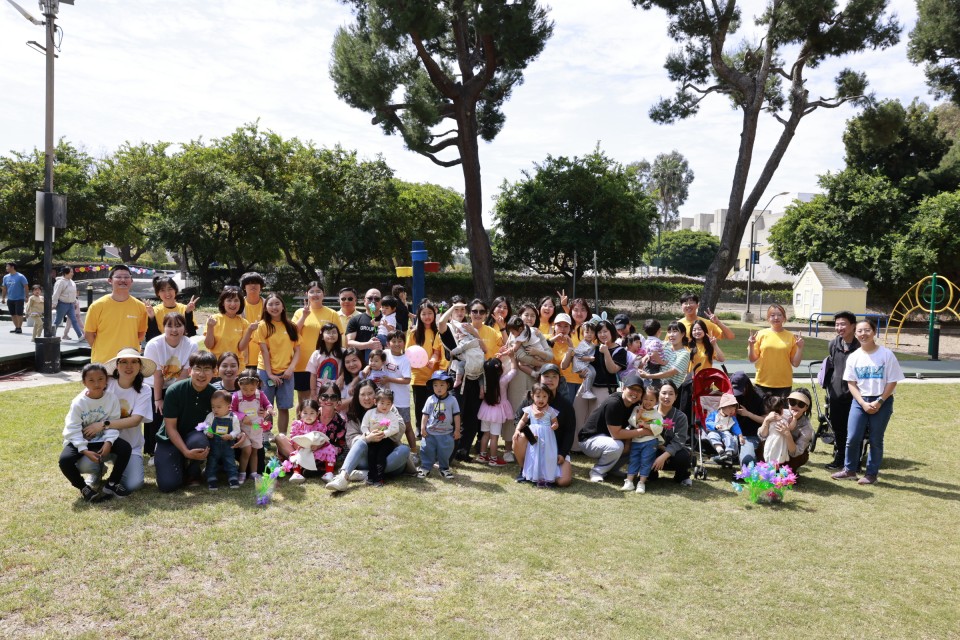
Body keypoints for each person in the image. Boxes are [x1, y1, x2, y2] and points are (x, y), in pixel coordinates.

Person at [832, 319, 904, 485]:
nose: (863, 334)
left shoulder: (886, 354)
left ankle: (871, 474)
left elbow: (892, 381)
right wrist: (863, 403)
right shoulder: (854, 357)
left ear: (874, 332)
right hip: (860, 401)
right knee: (852, 437)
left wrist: (879, 401)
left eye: (867, 330)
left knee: (875, 439)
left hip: (882, 401)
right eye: (859, 331)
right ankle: (850, 470)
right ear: (855, 333)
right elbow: (851, 383)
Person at [76, 348, 156, 493]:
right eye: (123, 362)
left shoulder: (144, 389)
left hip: (130, 446)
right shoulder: (105, 382)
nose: (128, 366)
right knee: (82, 465)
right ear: (117, 366)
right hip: (100, 442)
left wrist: (102, 425)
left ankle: (117, 474)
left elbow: (135, 420)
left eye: (134, 362)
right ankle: (98, 471)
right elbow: (82, 401)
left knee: (133, 484)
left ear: (140, 366)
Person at [58, 363, 131, 501]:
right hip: (82, 439)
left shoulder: (112, 399)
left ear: (106, 380)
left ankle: (112, 483)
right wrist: (84, 450)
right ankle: (83, 488)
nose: (96, 384)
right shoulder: (78, 402)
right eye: (91, 380)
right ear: (84, 382)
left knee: (125, 448)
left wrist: (109, 442)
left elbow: (113, 423)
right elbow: (72, 428)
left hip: (103, 438)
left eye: (100, 379)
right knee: (65, 460)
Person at [325, 380, 412, 492]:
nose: (367, 398)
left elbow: (401, 427)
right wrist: (367, 438)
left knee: (404, 449)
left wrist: (384, 432)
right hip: (367, 459)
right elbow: (351, 440)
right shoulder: (354, 414)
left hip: (389, 458)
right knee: (360, 442)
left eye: (370, 393)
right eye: (362, 394)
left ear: (376, 395)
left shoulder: (387, 406)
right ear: (357, 396)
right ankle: (343, 477)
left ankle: (366, 474)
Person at [154, 351, 218, 493]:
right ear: (190, 371)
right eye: (197, 368)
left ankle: (193, 472)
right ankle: (180, 460)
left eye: (207, 369)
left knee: (200, 441)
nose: (201, 374)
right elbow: (171, 428)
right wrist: (186, 452)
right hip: (170, 438)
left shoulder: (215, 394)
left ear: (214, 372)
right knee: (168, 485)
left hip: (195, 438)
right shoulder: (174, 390)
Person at [142, 312, 198, 460]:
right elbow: (158, 375)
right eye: (170, 325)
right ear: (163, 327)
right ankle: (152, 451)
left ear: (184, 327)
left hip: (177, 383)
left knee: (175, 415)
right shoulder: (154, 345)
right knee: (156, 413)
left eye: (178, 325)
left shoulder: (191, 345)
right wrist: (158, 400)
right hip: (154, 385)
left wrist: (171, 398)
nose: (174, 330)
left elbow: (184, 374)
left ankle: (175, 446)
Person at [454, 299, 503, 461]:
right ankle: (453, 450)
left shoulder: (491, 332)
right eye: (474, 311)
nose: (478, 314)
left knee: (473, 417)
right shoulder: (461, 328)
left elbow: (489, 352)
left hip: (481, 378)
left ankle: (464, 450)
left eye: (481, 311)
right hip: (462, 377)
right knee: (458, 415)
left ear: (486, 314)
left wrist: (476, 334)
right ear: (469, 313)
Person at [511, 364, 575, 488]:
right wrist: (530, 435)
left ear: (559, 379)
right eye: (546, 376)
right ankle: (525, 471)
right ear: (540, 377)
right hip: (534, 444)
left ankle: (545, 474)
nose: (550, 380)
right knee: (519, 438)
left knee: (564, 481)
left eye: (554, 376)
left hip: (555, 448)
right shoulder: (530, 399)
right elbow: (518, 419)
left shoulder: (566, 404)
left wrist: (562, 453)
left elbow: (570, 431)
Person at [577, 374, 646, 483]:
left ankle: (611, 470)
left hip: (608, 438)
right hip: (589, 440)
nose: (635, 393)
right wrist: (643, 431)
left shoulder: (635, 404)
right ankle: (597, 472)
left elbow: (632, 427)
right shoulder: (614, 403)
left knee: (637, 444)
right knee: (616, 446)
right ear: (624, 388)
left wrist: (628, 443)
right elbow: (616, 434)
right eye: (632, 388)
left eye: (639, 390)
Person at [247, 292, 300, 434]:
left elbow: (297, 350)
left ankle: (282, 436)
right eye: (270, 304)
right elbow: (264, 351)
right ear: (265, 308)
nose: (274, 307)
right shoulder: (262, 326)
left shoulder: (291, 326)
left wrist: (290, 369)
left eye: (277, 304)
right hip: (266, 371)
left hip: (286, 373)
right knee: (264, 406)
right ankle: (264, 434)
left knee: (284, 407)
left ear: (283, 306)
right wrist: (270, 374)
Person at [83, 264, 147, 364]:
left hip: (129, 363)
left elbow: (140, 335)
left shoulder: (140, 306)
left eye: (126, 277)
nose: (123, 280)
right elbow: (89, 334)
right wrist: (101, 349)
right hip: (103, 362)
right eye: (118, 277)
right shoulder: (97, 306)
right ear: (110, 281)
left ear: (131, 281)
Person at [291, 281, 342, 404]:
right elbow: (292, 333)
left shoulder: (332, 313)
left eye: (318, 291)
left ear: (323, 294)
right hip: (302, 363)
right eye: (312, 292)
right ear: (307, 294)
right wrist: (304, 316)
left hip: (326, 363)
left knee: (323, 399)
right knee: (304, 401)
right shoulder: (299, 312)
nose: (315, 294)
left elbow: (338, 337)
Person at [824, 311, 860, 470]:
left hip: (856, 395)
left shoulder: (861, 346)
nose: (839, 327)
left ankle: (854, 460)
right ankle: (840, 457)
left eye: (843, 324)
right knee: (838, 428)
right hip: (836, 394)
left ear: (853, 326)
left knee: (855, 429)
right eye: (837, 324)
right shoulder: (833, 344)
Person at [747, 303, 804, 398]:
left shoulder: (791, 337)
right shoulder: (760, 334)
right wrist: (751, 345)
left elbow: (795, 363)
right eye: (772, 315)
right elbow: (752, 359)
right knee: (761, 408)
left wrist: (800, 348)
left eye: (779, 315)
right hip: (762, 383)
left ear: (784, 318)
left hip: (784, 384)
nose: (776, 318)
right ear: (768, 318)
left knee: (782, 408)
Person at [283, 397, 341, 483]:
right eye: (305, 413)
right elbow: (293, 437)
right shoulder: (297, 425)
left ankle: (329, 472)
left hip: (316, 449)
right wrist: (298, 445)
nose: (308, 416)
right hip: (302, 449)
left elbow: (323, 439)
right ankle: (297, 473)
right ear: (300, 413)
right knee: (295, 456)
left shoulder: (320, 426)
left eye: (312, 413)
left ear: (317, 413)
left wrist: (318, 446)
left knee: (330, 449)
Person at [231, 368, 273, 484]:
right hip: (243, 429)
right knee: (247, 450)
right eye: (245, 389)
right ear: (239, 384)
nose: (248, 392)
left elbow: (268, 404)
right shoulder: (236, 396)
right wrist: (242, 416)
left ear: (257, 385)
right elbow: (231, 411)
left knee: (254, 450)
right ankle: (242, 472)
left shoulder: (260, 395)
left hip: (256, 427)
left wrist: (269, 410)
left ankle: (253, 473)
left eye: (252, 389)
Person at [514, 383, 561, 487]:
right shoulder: (529, 409)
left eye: (544, 396)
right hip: (534, 436)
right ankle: (533, 475)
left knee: (547, 456)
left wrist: (554, 425)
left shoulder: (550, 410)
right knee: (533, 455)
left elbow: (555, 422)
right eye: (538, 396)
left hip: (547, 437)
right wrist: (517, 429)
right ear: (532, 396)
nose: (541, 399)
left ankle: (547, 477)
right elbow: (523, 420)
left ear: (548, 397)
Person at [406, 300, 443, 431]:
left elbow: (438, 352)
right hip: (418, 375)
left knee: (435, 404)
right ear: (419, 316)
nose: (427, 316)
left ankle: (433, 428)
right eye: (424, 314)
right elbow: (408, 352)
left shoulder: (438, 331)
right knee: (419, 405)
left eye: (430, 313)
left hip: (435, 375)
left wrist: (433, 361)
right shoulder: (414, 333)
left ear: (434, 314)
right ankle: (419, 429)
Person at [417, 370, 461, 479]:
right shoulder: (430, 399)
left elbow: (456, 416)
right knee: (427, 450)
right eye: (435, 385)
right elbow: (425, 414)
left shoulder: (452, 400)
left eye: (442, 385)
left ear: (448, 385)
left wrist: (457, 430)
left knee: (445, 452)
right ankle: (425, 468)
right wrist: (422, 428)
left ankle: (444, 469)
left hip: (446, 433)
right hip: (430, 433)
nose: (438, 388)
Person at [649, 381, 693, 487]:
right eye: (664, 393)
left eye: (671, 394)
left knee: (683, 456)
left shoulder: (681, 416)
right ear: (658, 394)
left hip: (672, 453)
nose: (667, 397)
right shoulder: (649, 412)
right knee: (650, 477)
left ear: (676, 397)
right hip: (653, 449)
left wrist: (664, 456)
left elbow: (679, 441)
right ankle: (651, 474)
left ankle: (681, 476)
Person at [621, 386, 663, 493]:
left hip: (650, 442)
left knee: (646, 461)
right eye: (645, 399)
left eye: (651, 400)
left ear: (656, 401)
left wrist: (647, 425)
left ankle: (641, 483)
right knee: (633, 460)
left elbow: (659, 428)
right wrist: (638, 414)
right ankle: (629, 482)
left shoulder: (657, 414)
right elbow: (631, 422)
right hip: (636, 441)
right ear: (641, 399)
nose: (648, 402)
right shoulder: (637, 409)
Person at [359, 388, 404, 487]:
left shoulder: (392, 415)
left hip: (386, 441)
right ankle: (371, 477)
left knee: (380, 457)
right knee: (371, 457)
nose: (385, 406)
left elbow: (395, 428)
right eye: (382, 403)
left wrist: (384, 433)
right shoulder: (370, 413)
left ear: (392, 404)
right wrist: (368, 434)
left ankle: (379, 479)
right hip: (372, 440)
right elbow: (364, 426)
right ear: (375, 402)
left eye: (388, 404)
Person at [760, 389, 814, 471]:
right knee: (760, 448)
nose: (796, 406)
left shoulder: (806, 428)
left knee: (797, 459)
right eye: (792, 402)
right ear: (788, 402)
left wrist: (787, 434)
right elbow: (761, 435)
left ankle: (786, 471)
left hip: (791, 455)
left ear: (806, 407)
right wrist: (766, 421)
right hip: (773, 447)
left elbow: (795, 452)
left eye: (801, 404)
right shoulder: (780, 412)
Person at [477, 356, 516, 465]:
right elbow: (513, 371)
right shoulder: (502, 381)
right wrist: (513, 359)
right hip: (497, 413)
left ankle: (482, 456)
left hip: (485, 410)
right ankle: (493, 459)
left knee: (485, 435)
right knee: (494, 437)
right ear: (499, 370)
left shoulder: (485, 382)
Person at [202, 390, 242, 490]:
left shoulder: (233, 417)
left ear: (228, 407)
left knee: (230, 461)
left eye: (218, 407)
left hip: (228, 446)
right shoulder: (211, 416)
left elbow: (237, 430)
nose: (215, 410)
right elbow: (205, 426)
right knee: (212, 461)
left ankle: (233, 478)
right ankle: (211, 478)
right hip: (214, 446)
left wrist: (231, 435)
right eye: (213, 407)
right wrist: (207, 432)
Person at [144, 275, 198, 341]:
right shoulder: (154, 311)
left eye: (170, 289)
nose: (167, 293)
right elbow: (151, 338)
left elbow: (191, 334)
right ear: (158, 293)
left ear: (175, 290)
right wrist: (152, 318)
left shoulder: (185, 309)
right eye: (162, 290)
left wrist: (188, 313)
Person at [729, 372, 766, 467]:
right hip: (731, 434)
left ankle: (741, 456)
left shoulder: (760, 397)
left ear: (747, 386)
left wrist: (748, 414)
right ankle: (734, 455)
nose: (737, 394)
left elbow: (765, 420)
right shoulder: (730, 395)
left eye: (740, 390)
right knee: (720, 455)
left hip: (750, 435)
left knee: (747, 461)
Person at [204, 286, 251, 361]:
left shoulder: (244, 323)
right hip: (216, 363)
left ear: (241, 303)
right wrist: (210, 327)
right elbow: (209, 346)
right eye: (229, 300)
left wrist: (250, 331)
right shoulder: (213, 319)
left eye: (236, 300)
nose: (233, 304)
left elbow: (241, 348)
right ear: (223, 303)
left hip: (236, 364)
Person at [547, 312, 579, 406]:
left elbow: (564, 365)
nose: (562, 329)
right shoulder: (547, 338)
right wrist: (554, 339)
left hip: (568, 381)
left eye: (566, 326)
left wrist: (571, 347)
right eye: (559, 325)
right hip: (549, 379)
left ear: (570, 328)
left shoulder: (572, 342)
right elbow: (541, 348)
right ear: (554, 326)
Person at [306, 322, 344, 400]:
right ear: (322, 337)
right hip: (320, 390)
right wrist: (313, 392)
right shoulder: (316, 354)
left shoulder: (343, 352)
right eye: (328, 332)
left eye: (334, 332)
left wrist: (342, 377)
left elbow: (346, 368)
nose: (331, 335)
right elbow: (313, 375)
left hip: (338, 389)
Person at [346, 288, 383, 364]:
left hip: (383, 364)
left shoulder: (388, 320)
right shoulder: (355, 320)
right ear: (364, 301)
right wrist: (368, 345)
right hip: (361, 364)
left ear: (381, 302)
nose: (373, 301)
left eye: (377, 299)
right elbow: (349, 343)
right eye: (370, 298)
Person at [705, 392, 743, 466]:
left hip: (725, 431)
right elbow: (708, 422)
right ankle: (720, 450)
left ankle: (729, 453)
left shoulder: (732, 418)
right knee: (712, 435)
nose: (732, 411)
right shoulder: (715, 414)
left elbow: (736, 427)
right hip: (714, 430)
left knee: (729, 436)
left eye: (734, 409)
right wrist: (715, 425)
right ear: (722, 407)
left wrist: (740, 435)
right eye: (730, 409)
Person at [566, 320, 598, 399]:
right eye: (587, 332)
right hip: (579, 363)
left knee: (593, 372)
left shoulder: (591, 344)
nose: (589, 334)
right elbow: (578, 355)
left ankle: (588, 388)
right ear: (583, 333)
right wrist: (589, 358)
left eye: (592, 332)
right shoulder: (583, 344)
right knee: (589, 373)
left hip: (585, 363)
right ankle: (586, 391)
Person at [239, 272, 265, 368]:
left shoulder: (269, 305)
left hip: (265, 360)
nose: (253, 285)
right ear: (244, 287)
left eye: (256, 282)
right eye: (249, 283)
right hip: (242, 358)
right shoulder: (237, 305)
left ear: (261, 286)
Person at [51, 266, 84, 341]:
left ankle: (80, 336)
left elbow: (73, 293)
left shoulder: (72, 282)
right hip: (62, 304)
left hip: (71, 304)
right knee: (58, 320)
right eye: (71, 272)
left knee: (74, 320)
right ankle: (52, 335)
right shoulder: (60, 282)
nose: (72, 273)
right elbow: (56, 293)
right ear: (66, 273)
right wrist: (54, 303)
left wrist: (75, 302)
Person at [2, 262, 29, 334]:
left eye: (7, 266)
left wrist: (27, 296)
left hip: (19, 298)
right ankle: (16, 327)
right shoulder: (5, 277)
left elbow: (26, 286)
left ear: (12, 267)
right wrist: (3, 297)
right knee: (13, 314)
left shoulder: (20, 276)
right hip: (10, 298)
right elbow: (4, 288)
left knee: (19, 314)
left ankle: (19, 328)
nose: (6, 268)